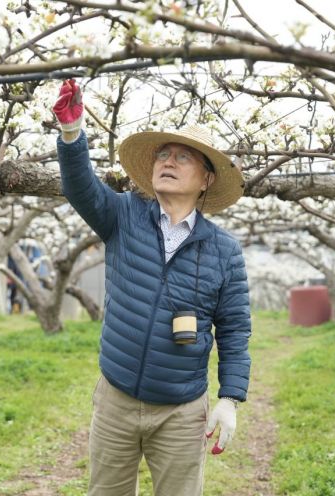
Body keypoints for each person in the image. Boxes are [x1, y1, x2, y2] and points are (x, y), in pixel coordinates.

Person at [52, 79, 252, 496]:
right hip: (116, 398)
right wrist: (72, 134)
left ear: (207, 179)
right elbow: (80, 188)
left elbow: (234, 331)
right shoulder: (123, 216)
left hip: (181, 409)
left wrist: (230, 399)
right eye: (163, 154)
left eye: (182, 157)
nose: (168, 161)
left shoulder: (224, 250)